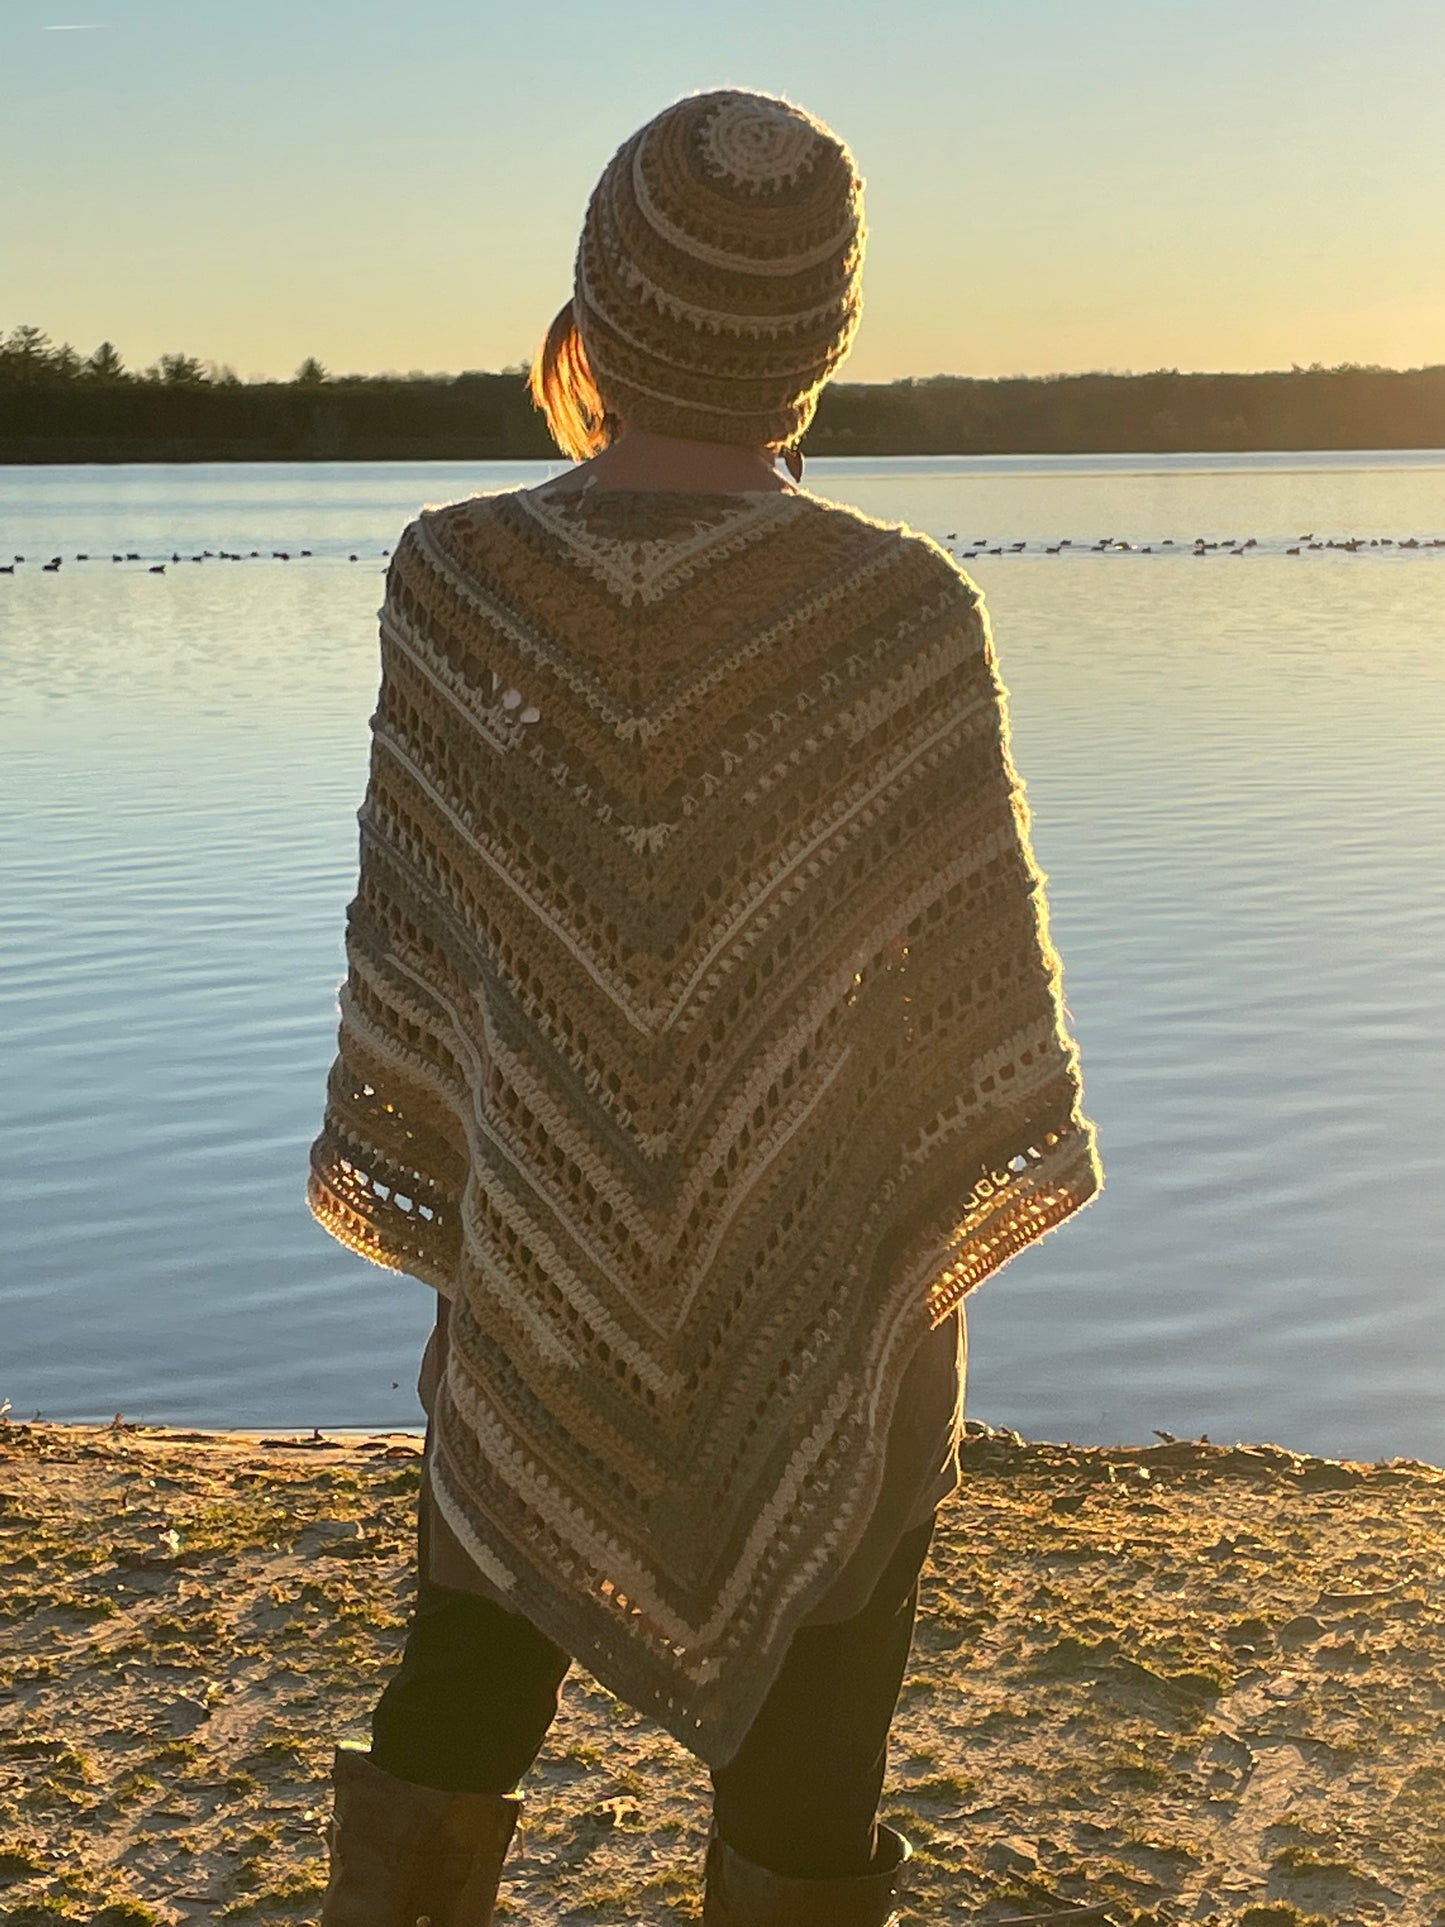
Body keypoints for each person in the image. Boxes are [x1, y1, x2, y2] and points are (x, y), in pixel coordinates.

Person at [306, 88, 1102, 1927]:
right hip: (830, 1287)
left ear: (602, 295)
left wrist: (563, 1185)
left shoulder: (458, 578)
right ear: (819, 335)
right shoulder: (901, 610)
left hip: (539, 1294)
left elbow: (430, 977)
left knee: (464, 1676)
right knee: (816, 1744)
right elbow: (955, 1039)